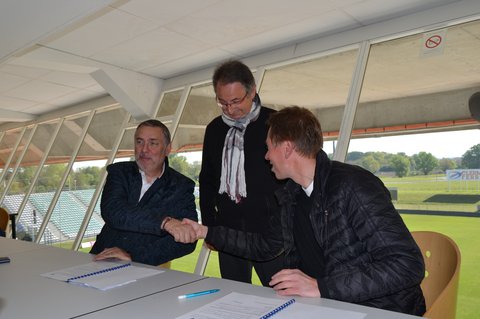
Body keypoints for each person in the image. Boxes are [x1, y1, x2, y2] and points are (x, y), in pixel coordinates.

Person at [183, 106, 426, 315]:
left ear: (287, 149)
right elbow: (264, 245)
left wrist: (322, 287)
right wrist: (205, 231)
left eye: (268, 148)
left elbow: (407, 265)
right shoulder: (292, 195)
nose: (266, 156)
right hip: (326, 306)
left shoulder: (354, 186)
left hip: (378, 309)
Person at [199, 60, 284, 286]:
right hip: (228, 231)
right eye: (223, 103)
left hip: (270, 235)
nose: (230, 109)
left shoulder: (275, 123)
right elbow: (207, 179)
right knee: (234, 296)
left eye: (236, 101)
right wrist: (210, 226)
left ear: (252, 90)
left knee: (283, 296)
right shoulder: (214, 129)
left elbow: (290, 180)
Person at [90, 119, 198, 266]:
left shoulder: (181, 186)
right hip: (102, 259)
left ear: (167, 149)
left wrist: (133, 257)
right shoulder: (119, 172)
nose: (144, 149)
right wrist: (164, 222)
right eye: (140, 142)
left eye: (153, 143)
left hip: (147, 268)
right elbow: (114, 211)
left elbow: (187, 240)